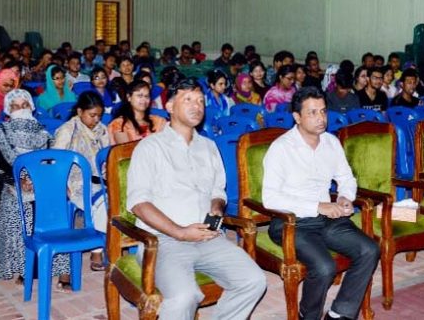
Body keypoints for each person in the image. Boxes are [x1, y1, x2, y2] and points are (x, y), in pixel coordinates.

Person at [127, 78, 266, 318]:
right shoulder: (149, 148)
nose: (197, 106)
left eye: (201, 100)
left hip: (207, 236)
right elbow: (139, 203)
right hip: (165, 241)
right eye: (188, 99)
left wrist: (216, 207)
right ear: (169, 106)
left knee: (254, 281)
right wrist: (180, 232)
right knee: (184, 297)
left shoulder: (209, 147)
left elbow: (218, 191)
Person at [263, 86, 380, 320]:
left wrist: (346, 197)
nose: (321, 119)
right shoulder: (281, 148)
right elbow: (270, 198)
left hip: (328, 219)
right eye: (313, 113)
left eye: (323, 111)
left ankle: (339, 313)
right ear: (297, 117)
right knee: (325, 267)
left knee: (369, 250)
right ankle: (308, 316)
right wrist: (317, 206)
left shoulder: (331, 142)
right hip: (292, 223)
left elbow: (346, 178)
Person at [0, 89, 72, 289]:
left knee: (55, 207)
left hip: (41, 185)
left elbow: (51, 165)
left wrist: (40, 181)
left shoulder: (44, 134)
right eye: (15, 107)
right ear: (7, 111)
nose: (21, 110)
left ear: (32, 107)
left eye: (24, 105)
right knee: (20, 208)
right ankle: (26, 268)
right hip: (7, 187)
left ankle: (61, 268)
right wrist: (15, 181)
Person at [51, 91, 110, 271]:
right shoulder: (68, 131)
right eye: (92, 115)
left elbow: (107, 154)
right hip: (76, 182)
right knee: (104, 202)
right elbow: (56, 161)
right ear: (79, 112)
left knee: (118, 197)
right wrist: (62, 185)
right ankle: (97, 250)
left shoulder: (102, 130)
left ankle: (111, 242)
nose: (96, 120)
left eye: (99, 115)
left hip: (100, 179)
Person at [108, 80, 168, 145]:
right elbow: (125, 151)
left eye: (147, 96)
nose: (144, 100)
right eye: (140, 96)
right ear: (129, 97)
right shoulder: (119, 124)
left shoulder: (159, 121)